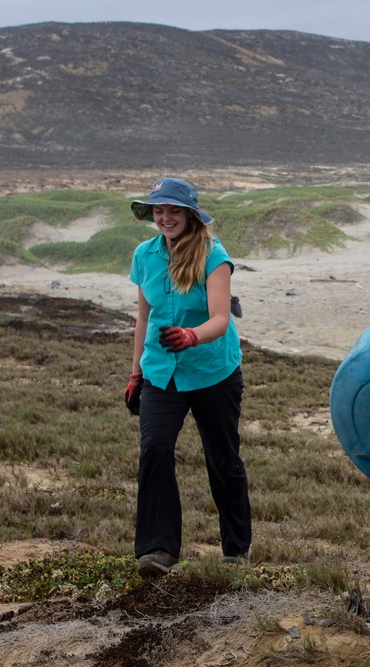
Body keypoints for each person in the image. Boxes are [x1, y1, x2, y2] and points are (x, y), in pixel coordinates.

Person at [123, 177, 251, 578]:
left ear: (190, 215)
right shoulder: (144, 255)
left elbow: (220, 318)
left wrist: (191, 336)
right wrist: (135, 374)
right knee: (155, 449)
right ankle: (157, 550)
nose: (164, 217)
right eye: (158, 211)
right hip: (162, 372)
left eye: (173, 211)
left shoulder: (214, 255)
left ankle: (235, 551)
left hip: (213, 371)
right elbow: (144, 317)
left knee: (223, 459)